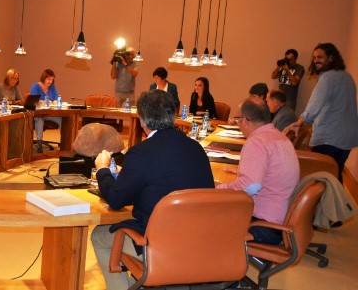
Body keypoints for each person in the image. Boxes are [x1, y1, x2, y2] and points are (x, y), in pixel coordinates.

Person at [90, 90, 214, 289]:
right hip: (199, 242)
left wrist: (103, 169)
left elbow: (115, 200)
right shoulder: (197, 149)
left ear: (141, 121)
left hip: (158, 245)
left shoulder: (140, 153)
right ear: (173, 116)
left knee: (98, 235)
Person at [217, 97, 299, 245]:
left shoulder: (256, 141)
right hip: (283, 218)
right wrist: (241, 171)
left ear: (246, 120)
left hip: (264, 226)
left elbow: (250, 186)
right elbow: (269, 172)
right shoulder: (278, 136)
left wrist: (219, 187)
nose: (238, 123)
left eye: (238, 119)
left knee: (206, 212)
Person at [283, 43, 358, 184]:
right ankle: (337, 205)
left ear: (331, 58)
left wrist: (300, 122)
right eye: (315, 57)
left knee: (322, 179)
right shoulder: (347, 77)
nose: (316, 60)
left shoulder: (327, 78)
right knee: (335, 175)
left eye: (320, 57)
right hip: (347, 139)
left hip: (330, 138)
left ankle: (324, 205)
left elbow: (313, 106)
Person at [29, 69, 62, 153]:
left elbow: (56, 99)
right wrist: (43, 102)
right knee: (39, 119)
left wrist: (54, 102)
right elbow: (34, 101)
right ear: (44, 78)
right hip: (38, 114)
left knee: (62, 119)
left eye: (52, 79)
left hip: (50, 113)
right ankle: (39, 144)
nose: (50, 81)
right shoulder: (35, 86)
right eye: (49, 79)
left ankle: (64, 142)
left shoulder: (52, 87)